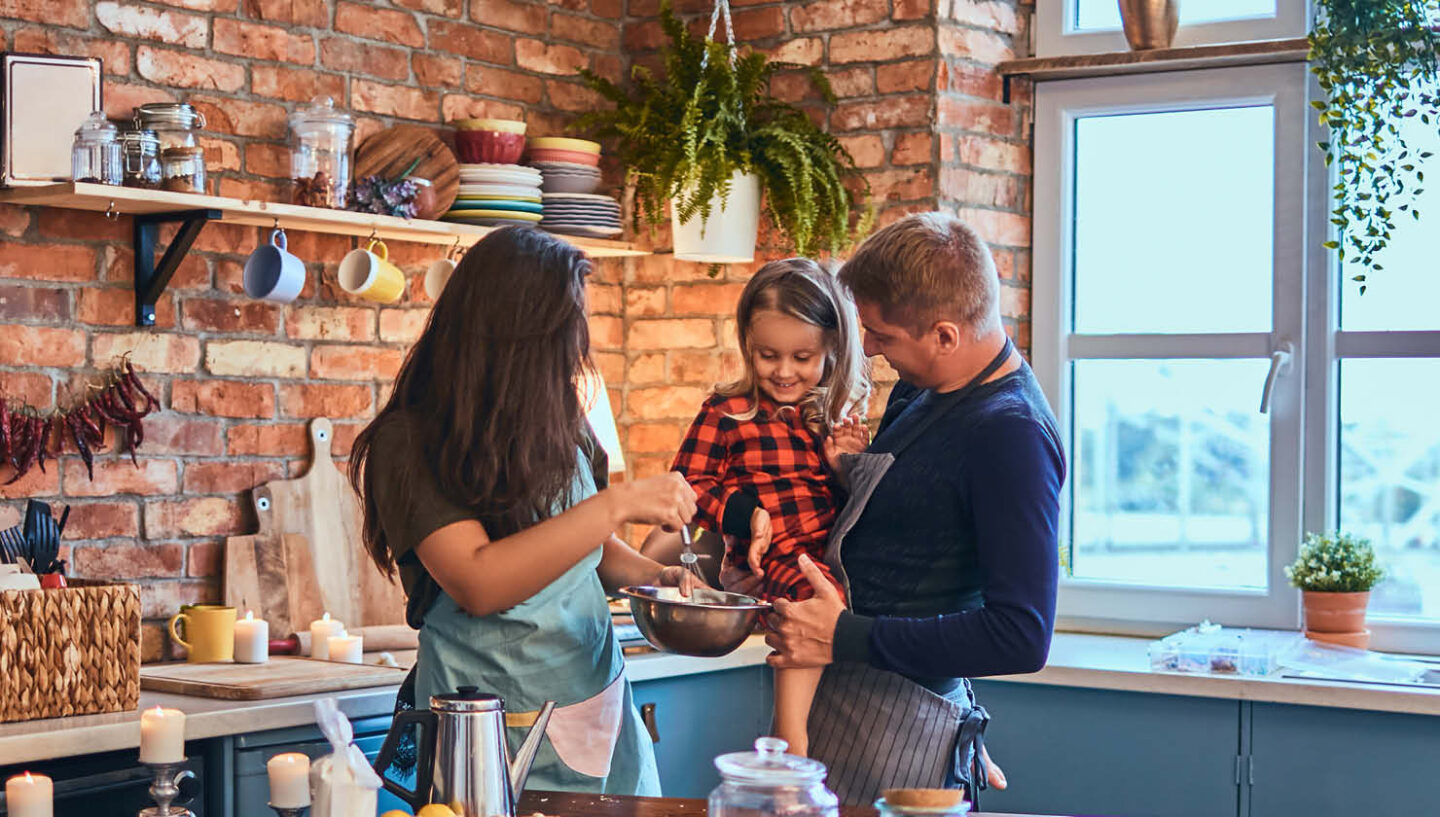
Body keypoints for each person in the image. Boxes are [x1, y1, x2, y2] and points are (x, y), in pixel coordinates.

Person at [350, 226, 698, 795]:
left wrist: (656, 578)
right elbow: (479, 582)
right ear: (519, 333)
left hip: (598, 706)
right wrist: (617, 503)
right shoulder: (409, 443)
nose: (579, 344)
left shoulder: (558, 415)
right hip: (487, 725)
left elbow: (585, 550)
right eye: (570, 326)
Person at [736, 213, 1066, 806]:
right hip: (838, 689)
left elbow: (1021, 636)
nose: (870, 350)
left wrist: (845, 635)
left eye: (882, 336)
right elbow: (898, 545)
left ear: (945, 336)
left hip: (903, 722)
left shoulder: (1012, 436)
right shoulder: (924, 390)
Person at [670, 258, 871, 757]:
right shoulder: (727, 412)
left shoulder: (831, 417)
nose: (783, 371)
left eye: (802, 357)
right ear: (747, 344)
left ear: (832, 347)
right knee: (809, 597)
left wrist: (845, 467)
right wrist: (747, 516)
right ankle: (790, 738)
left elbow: (851, 509)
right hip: (773, 557)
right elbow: (686, 485)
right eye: (768, 355)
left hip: (830, 554)